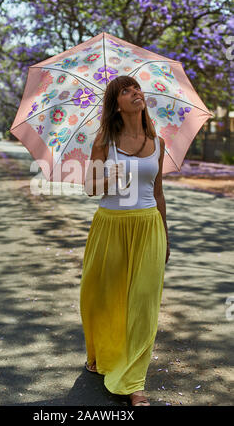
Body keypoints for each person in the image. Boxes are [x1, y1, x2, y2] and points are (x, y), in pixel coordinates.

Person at [81, 75, 170, 407]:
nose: (136, 93)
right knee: (100, 297)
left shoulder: (157, 142)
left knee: (143, 304)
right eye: (127, 91)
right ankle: (100, 353)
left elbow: (158, 192)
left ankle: (134, 382)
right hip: (110, 225)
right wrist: (105, 177)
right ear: (116, 104)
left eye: (137, 88)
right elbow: (90, 188)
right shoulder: (105, 140)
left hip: (148, 227)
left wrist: (166, 235)